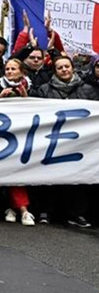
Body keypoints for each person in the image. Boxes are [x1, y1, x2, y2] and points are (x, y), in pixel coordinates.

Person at [30, 56, 95, 228]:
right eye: (60, 67)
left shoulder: (88, 90)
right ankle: (45, 211)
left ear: (72, 68)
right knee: (49, 176)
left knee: (78, 179)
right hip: (52, 142)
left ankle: (78, 214)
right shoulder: (44, 90)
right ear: (55, 71)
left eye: (67, 66)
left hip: (80, 142)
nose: (64, 70)